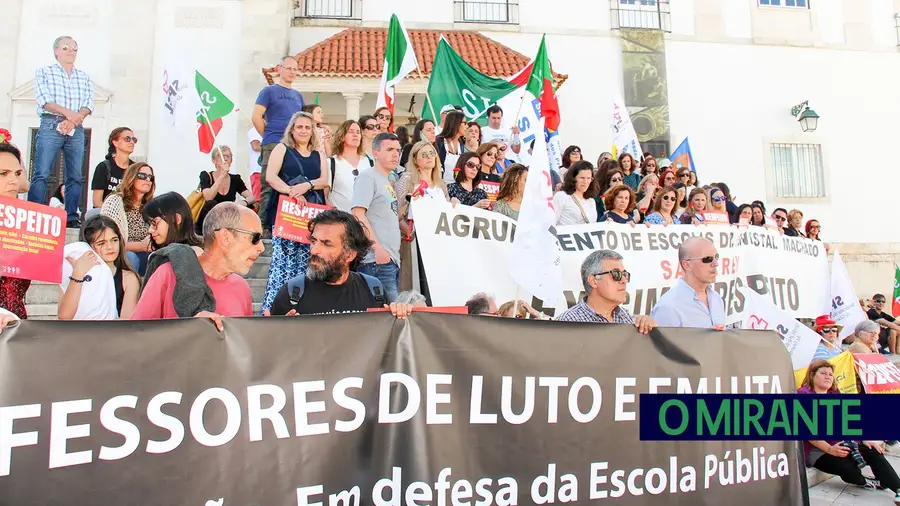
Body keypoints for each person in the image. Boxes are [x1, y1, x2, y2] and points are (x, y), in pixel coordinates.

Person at [132, 202, 263, 327]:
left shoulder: (241, 288)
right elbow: (137, 335)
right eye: (255, 238)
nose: (261, 248)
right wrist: (192, 329)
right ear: (225, 237)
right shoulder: (168, 274)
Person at [267, 210, 411, 318]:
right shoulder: (293, 293)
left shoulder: (374, 290)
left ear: (350, 254)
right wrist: (281, 333)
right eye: (313, 241)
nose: (314, 250)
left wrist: (400, 315)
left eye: (326, 244)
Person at [799, 359, 900, 499]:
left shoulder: (835, 394)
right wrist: (830, 449)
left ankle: (899, 490)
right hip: (818, 449)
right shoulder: (803, 396)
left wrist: (864, 439)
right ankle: (866, 481)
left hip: (840, 441)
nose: (828, 376)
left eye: (830, 374)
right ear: (812, 375)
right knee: (847, 468)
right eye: (823, 373)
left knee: (873, 451)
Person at [261, 111, 328, 313]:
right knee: (282, 262)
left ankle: (305, 307)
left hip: (311, 214)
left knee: (309, 261)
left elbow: (324, 180)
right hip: (286, 212)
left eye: (308, 127)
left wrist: (305, 186)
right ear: (292, 129)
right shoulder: (282, 148)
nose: (303, 131)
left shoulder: (319, 154)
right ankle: (274, 308)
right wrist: (292, 192)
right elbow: (271, 177)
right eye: (299, 127)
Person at [28, 36, 94, 228]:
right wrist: (69, 115)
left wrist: (74, 121)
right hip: (51, 123)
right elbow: (44, 100)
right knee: (42, 172)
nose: (71, 51)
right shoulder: (44, 72)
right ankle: (35, 213)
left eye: (75, 48)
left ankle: (72, 217)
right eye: (66, 47)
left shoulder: (84, 77)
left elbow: (88, 104)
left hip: (76, 127)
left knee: (74, 175)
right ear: (56, 50)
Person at [252, 55, 305, 228]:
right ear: (279, 69)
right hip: (273, 142)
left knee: (291, 183)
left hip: (293, 145)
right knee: (269, 185)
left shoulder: (298, 95)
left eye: (295, 69)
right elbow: (256, 116)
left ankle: (285, 225)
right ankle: (262, 227)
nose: (292, 72)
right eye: (288, 68)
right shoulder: (268, 91)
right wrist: (268, 135)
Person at [352, 132, 403, 303]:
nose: (395, 154)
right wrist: (377, 249)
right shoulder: (368, 177)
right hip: (376, 260)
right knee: (388, 314)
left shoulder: (388, 180)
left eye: (398, 149)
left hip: (390, 258)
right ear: (375, 153)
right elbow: (358, 214)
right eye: (389, 149)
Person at [58, 215, 140, 320]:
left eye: (114, 240)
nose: (110, 247)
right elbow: (64, 317)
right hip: (77, 333)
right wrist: (78, 273)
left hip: (112, 334)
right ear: (88, 246)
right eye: (101, 243)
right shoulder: (72, 271)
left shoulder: (128, 278)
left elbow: (126, 322)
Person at [556, 250, 657, 334]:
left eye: (625, 274)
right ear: (593, 281)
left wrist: (648, 329)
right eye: (616, 274)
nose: (624, 280)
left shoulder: (627, 319)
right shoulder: (567, 323)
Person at [651, 237, 726, 329]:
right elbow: (661, 343)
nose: (715, 263)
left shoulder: (716, 298)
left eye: (716, 257)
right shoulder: (668, 307)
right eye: (708, 259)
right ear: (687, 265)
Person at [100, 162, 156, 276]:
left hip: (146, 252)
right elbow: (106, 240)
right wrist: (140, 246)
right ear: (131, 177)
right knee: (131, 258)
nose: (147, 180)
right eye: (142, 176)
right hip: (120, 253)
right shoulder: (115, 202)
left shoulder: (152, 206)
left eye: (151, 178)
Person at [0, 143, 32, 319]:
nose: (13, 180)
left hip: (16, 324)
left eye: (17, 174)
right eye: (3, 174)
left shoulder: (27, 224)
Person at [197, 146, 256, 231]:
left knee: (249, 206)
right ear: (214, 161)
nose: (225, 159)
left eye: (228, 156)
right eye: (220, 156)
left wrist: (243, 203)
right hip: (210, 218)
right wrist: (222, 175)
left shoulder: (235, 179)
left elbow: (252, 198)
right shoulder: (206, 175)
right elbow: (208, 197)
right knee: (211, 203)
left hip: (227, 216)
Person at [90, 127, 135, 215]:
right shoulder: (104, 167)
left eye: (134, 139)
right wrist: (114, 213)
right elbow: (97, 202)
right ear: (115, 142)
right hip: (106, 212)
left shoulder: (135, 169)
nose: (132, 142)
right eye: (127, 139)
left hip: (128, 214)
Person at [328, 120, 372, 212]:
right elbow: (325, 195)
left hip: (366, 219)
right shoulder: (332, 162)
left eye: (358, 132)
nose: (355, 135)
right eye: (351, 132)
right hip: (341, 219)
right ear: (342, 136)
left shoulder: (369, 162)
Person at [554, 160, 598, 225]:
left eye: (588, 178)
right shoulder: (561, 197)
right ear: (573, 178)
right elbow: (550, 224)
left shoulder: (591, 201)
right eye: (582, 178)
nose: (585, 182)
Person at [435, 111, 467, 183]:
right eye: (464, 123)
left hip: (456, 187)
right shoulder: (438, 142)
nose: (467, 126)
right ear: (456, 123)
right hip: (441, 185)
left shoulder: (461, 145)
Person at [248, 126, 263, 202]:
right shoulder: (254, 130)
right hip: (258, 171)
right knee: (258, 200)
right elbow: (256, 146)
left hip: (271, 172)